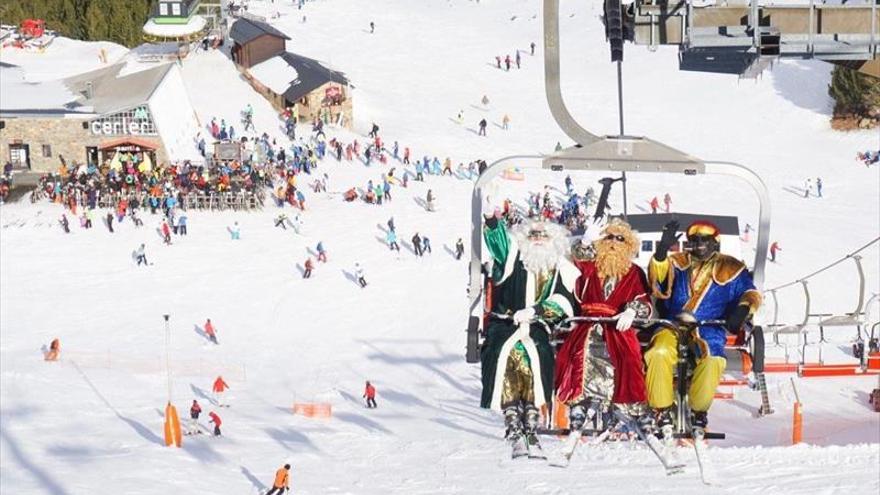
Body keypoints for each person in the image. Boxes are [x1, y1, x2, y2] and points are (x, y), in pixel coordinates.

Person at [645, 220, 762, 431]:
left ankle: (699, 409)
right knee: (658, 352)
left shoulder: (731, 267)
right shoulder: (678, 262)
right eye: (694, 240)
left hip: (708, 326)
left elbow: (750, 292)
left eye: (704, 240)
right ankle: (661, 407)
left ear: (714, 243)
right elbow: (658, 281)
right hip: (673, 323)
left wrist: (743, 309)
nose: (699, 245)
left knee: (713, 358)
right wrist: (661, 253)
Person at [480, 209, 579, 455]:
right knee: (508, 353)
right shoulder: (514, 258)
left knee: (540, 352)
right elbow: (500, 243)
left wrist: (537, 311)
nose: (538, 239)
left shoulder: (558, 267)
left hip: (536, 326)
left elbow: (564, 301)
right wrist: (492, 221)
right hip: (505, 324)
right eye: (533, 234)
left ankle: (533, 413)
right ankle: (512, 413)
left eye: (543, 235)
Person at [555, 219, 652, 430]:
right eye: (609, 237)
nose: (614, 243)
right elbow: (578, 260)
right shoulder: (591, 266)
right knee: (575, 354)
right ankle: (578, 402)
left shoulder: (634, 272)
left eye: (620, 239)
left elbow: (645, 300)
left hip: (618, 324)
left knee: (629, 356)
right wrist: (586, 241)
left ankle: (630, 404)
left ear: (628, 245)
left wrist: (633, 310)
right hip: (588, 322)